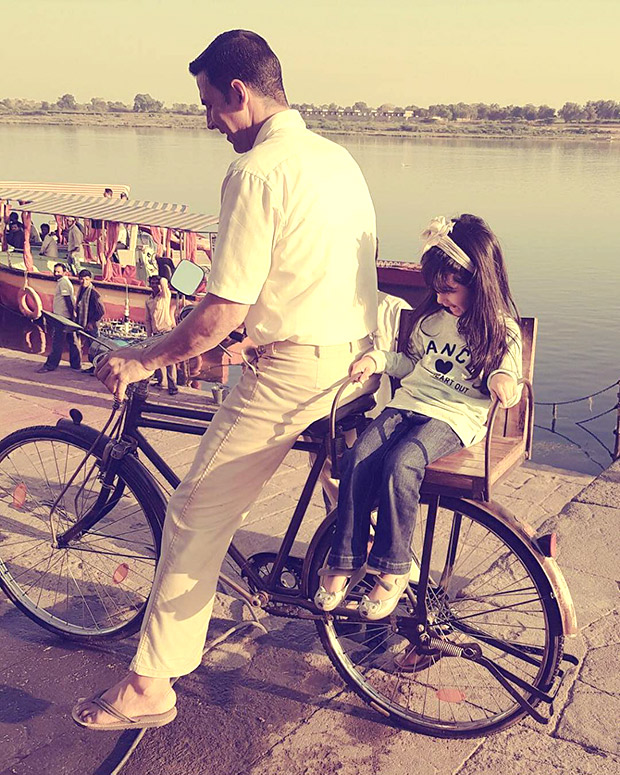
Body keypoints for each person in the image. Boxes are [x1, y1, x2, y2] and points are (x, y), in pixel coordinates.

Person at [73, 29, 378, 731]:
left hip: (292, 371)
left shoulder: (257, 171)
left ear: (238, 92)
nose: (209, 120)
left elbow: (217, 312)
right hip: (352, 359)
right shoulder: (335, 157)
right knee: (336, 493)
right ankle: (388, 582)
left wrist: (144, 358)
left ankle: (149, 686)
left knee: (193, 512)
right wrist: (249, 335)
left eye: (209, 104)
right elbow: (310, 275)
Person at [314, 214, 522, 638]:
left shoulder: (500, 330)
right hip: (412, 403)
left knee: (402, 462)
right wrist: (379, 360)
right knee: (356, 457)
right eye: (438, 289)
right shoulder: (430, 321)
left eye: (451, 289)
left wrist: (504, 381)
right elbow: (411, 366)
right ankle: (345, 558)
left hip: (456, 416)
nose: (443, 298)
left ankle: (392, 568)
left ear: (479, 281)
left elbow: (508, 372)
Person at [36, 263, 82, 373]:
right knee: (72, 341)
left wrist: (72, 315)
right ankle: (76, 364)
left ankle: (50, 365)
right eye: (55, 271)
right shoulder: (62, 282)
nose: (56, 274)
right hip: (64, 316)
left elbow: (68, 300)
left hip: (63, 318)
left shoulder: (64, 283)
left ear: (64, 272)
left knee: (57, 341)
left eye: (58, 272)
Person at [145, 275, 178, 395]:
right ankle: (161, 381)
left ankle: (173, 386)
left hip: (166, 330)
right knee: (156, 357)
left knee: (169, 359)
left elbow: (164, 282)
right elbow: (147, 320)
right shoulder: (148, 300)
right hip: (155, 333)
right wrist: (149, 336)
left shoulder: (165, 296)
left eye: (156, 283)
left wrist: (161, 277)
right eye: (152, 283)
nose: (155, 285)